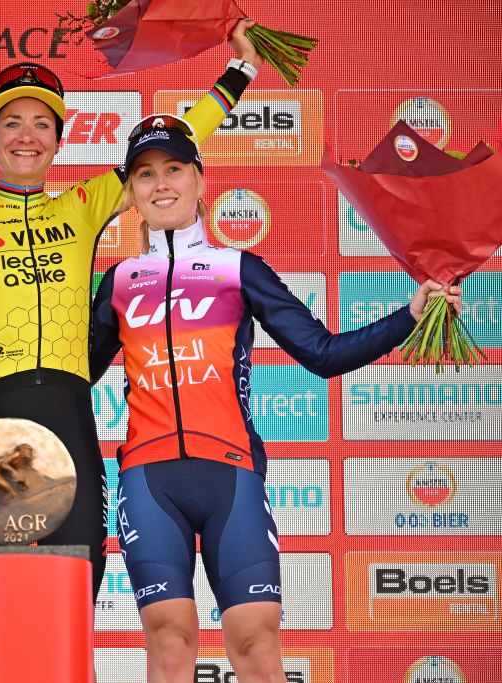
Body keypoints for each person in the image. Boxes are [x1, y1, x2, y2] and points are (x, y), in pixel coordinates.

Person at [89, 115, 463, 683]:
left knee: (257, 645)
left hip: (231, 473)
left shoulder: (237, 269)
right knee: (169, 643)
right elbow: (74, 377)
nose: (160, 184)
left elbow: (324, 353)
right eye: (145, 175)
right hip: (147, 479)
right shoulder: (117, 280)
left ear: (198, 179)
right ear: (131, 191)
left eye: (173, 169)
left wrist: (408, 316)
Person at [0, 21, 263, 601]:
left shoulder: (84, 205)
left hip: (67, 406)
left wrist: (239, 72)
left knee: (78, 582)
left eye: (42, 123)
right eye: (11, 121)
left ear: (59, 140)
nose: (27, 135)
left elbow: (173, 139)